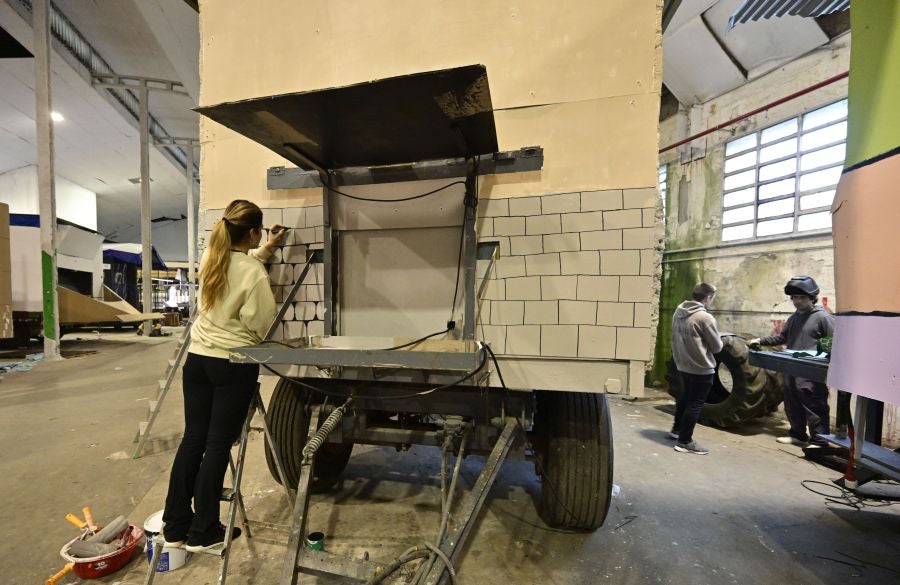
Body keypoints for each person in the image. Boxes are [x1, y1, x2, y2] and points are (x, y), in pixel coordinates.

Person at [162, 199, 287, 553]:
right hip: (232, 365)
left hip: (198, 361)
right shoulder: (253, 273)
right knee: (217, 446)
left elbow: (239, 267)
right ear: (253, 231)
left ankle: (175, 526)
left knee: (193, 441)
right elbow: (260, 325)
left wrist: (265, 250)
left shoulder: (211, 258)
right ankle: (204, 531)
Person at [749, 276, 834, 447]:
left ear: (812, 297)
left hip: (811, 371)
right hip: (792, 368)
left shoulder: (822, 317)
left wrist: (818, 358)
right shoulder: (795, 317)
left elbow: (830, 343)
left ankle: (819, 441)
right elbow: (782, 337)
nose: (797, 301)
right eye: (794, 297)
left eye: (801, 297)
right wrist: (761, 340)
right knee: (792, 402)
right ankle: (798, 435)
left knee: (814, 405)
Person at [670, 282, 723, 455]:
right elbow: (717, 347)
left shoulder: (679, 311)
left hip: (683, 364)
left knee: (685, 398)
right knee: (695, 404)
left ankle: (676, 430)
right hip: (701, 368)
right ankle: (685, 441)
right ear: (708, 298)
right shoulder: (704, 318)